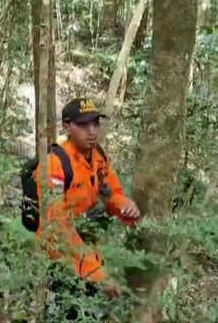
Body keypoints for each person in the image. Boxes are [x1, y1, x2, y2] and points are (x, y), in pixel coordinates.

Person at [34, 98, 141, 318]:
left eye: (95, 124)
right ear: (66, 127)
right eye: (83, 125)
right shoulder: (56, 164)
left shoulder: (98, 157)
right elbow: (56, 226)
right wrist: (96, 273)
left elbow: (112, 192)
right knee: (70, 310)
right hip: (61, 253)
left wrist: (126, 207)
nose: (92, 131)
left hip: (89, 244)